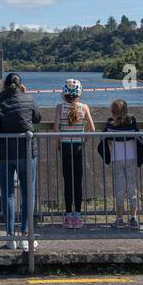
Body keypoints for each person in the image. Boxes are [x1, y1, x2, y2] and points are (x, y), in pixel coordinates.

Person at [0, 72, 41, 250]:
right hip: (26, 151)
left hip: (3, 153)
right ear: (20, 85)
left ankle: (10, 238)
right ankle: (26, 236)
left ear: (4, 85)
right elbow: (37, 118)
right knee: (27, 194)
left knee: (7, 194)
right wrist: (25, 95)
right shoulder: (28, 99)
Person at [99, 99, 143, 231]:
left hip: (116, 159)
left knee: (119, 189)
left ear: (112, 112)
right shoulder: (132, 124)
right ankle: (133, 218)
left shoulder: (110, 128)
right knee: (132, 189)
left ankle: (120, 218)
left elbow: (104, 138)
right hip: (131, 158)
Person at [55, 79, 95, 229]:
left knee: (68, 182)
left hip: (65, 147)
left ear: (64, 93)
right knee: (78, 182)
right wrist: (84, 141)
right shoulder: (84, 107)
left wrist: (58, 142)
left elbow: (56, 129)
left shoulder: (60, 108)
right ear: (80, 93)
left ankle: (68, 216)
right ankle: (78, 216)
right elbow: (92, 129)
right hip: (78, 147)